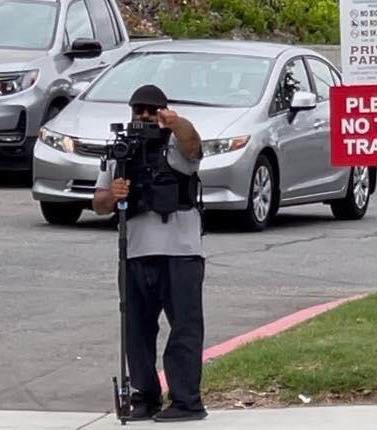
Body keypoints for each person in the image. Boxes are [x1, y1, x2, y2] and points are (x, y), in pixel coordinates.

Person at [92, 84, 207, 422]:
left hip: (181, 253)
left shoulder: (177, 146)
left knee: (184, 327)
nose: (143, 116)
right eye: (137, 110)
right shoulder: (121, 152)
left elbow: (194, 144)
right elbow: (98, 204)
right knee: (136, 329)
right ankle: (146, 396)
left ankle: (187, 401)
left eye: (150, 110)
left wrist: (176, 122)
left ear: (162, 111)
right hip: (134, 252)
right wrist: (113, 195)